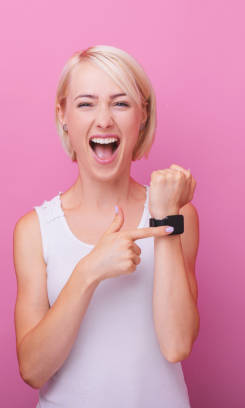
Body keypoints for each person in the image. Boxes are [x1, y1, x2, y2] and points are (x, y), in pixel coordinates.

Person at [13, 45, 200, 408]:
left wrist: (163, 219)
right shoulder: (34, 230)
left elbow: (176, 344)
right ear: (63, 114)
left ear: (142, 115)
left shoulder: (179, 215)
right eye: (86, 104)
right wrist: (89, 271)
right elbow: (33, 369)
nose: (103, 120)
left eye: (121, 103)